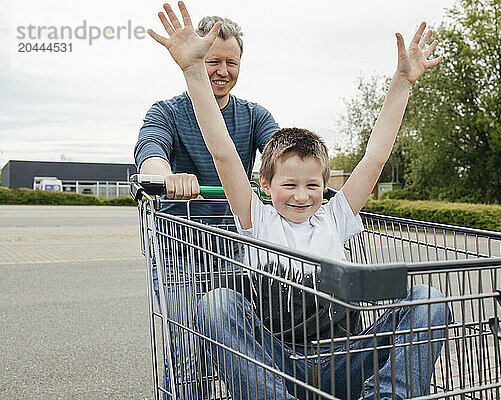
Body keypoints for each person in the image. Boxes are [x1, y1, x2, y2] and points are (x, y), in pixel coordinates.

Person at [148, 2, 450, 399]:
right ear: (265, 184)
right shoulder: (256, 219)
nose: (302, 196)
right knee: (217, 302)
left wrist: (403, 82)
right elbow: (222, 151)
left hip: (340, 360)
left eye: (312, 185)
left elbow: (376, 155)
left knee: (428, 299)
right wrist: (192, 71)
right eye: (289, 185)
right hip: (276, 365)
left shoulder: (335, 217)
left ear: (325, 185)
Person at [136, 8, 279, 399]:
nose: (222, 70)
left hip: (236, 250)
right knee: (188, 351)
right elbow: (150, 148)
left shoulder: (253, 115)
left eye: (231, 62)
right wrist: (164, 175)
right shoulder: (166, 111)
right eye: (212, 60)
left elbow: (280, 153)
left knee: (245, 348)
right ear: (197, 58)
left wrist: (293, 180)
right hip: (180, 250)